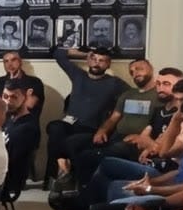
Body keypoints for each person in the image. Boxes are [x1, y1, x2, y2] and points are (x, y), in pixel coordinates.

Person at [44, 47, 128, 187]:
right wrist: (84, 54)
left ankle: (61, 176)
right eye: (94, 59)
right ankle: (62, 165)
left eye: (102, 60)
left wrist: (108, 124)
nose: (97, 63)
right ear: (89, 61)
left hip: (91, 129)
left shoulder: (114, 83)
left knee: (69, 141)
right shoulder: (78, 75)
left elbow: (131, 96)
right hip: (69, 124)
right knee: (54, 127)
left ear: (108, 65)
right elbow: (58, 53)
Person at [2, 80, 42, 192]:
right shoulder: (10, 119)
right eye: (5, 96)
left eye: (14, 97)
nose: (8, 101)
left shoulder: (27, 128)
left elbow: (12, 163)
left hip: (7, 184)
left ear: (25, 97)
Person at [0, 51, 45, 119]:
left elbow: (29, 106)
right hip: (1, 123)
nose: (10, 64)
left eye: (13, 60)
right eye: (6, 61)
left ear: (20, 62)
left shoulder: (35, 82)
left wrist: (14, 82)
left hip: (26, 123)